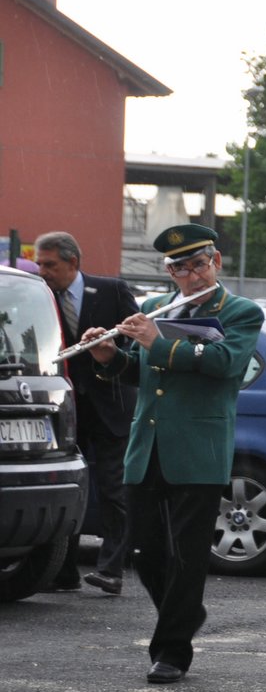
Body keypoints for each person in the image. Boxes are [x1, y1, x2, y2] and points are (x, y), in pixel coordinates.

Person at [85, 224, 264, 683]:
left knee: (187, 555)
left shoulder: (240, 312)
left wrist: (156, 343)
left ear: (216, 262)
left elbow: (225, 366)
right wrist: (110, 359)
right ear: (170, 273)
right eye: (180, 268)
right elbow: (143, 375)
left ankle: (171, 651)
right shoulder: (151, 308)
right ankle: (184, 615)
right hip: (147, 448)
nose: (192, 276)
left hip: (199, 450)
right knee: (144, 551)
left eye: (199, 265)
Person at [34, 231, 138, 595]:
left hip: (112, 408)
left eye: (50, 265)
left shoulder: (111, 290)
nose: (42, 271)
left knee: (114, 490)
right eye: (40, 264)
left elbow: (137, 336)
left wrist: (111, 350)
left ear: (73, 263)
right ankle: (63, 572)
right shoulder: (40, 297)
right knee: (68, 489)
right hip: (66, 411)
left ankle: (111, 570)